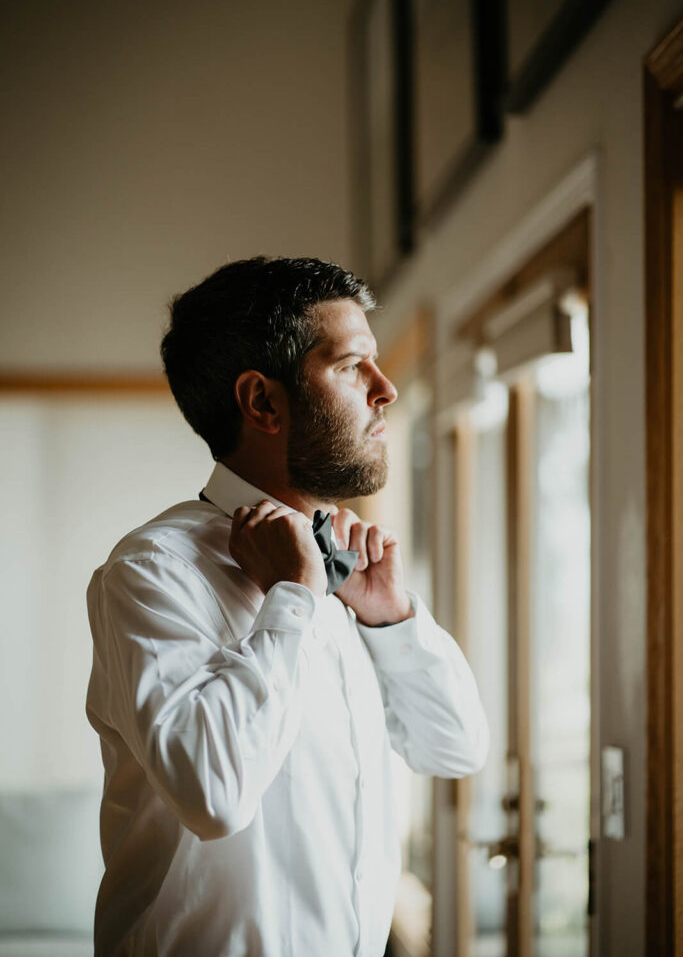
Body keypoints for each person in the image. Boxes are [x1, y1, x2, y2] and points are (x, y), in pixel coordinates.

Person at [86, 256, 488, 957]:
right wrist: (292, 601)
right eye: (352, 365)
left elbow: (453, 747)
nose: (385, 389)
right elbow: (212, 795)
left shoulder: (348, 574)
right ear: (262, 402)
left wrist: (390, 621)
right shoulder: (152, 571)